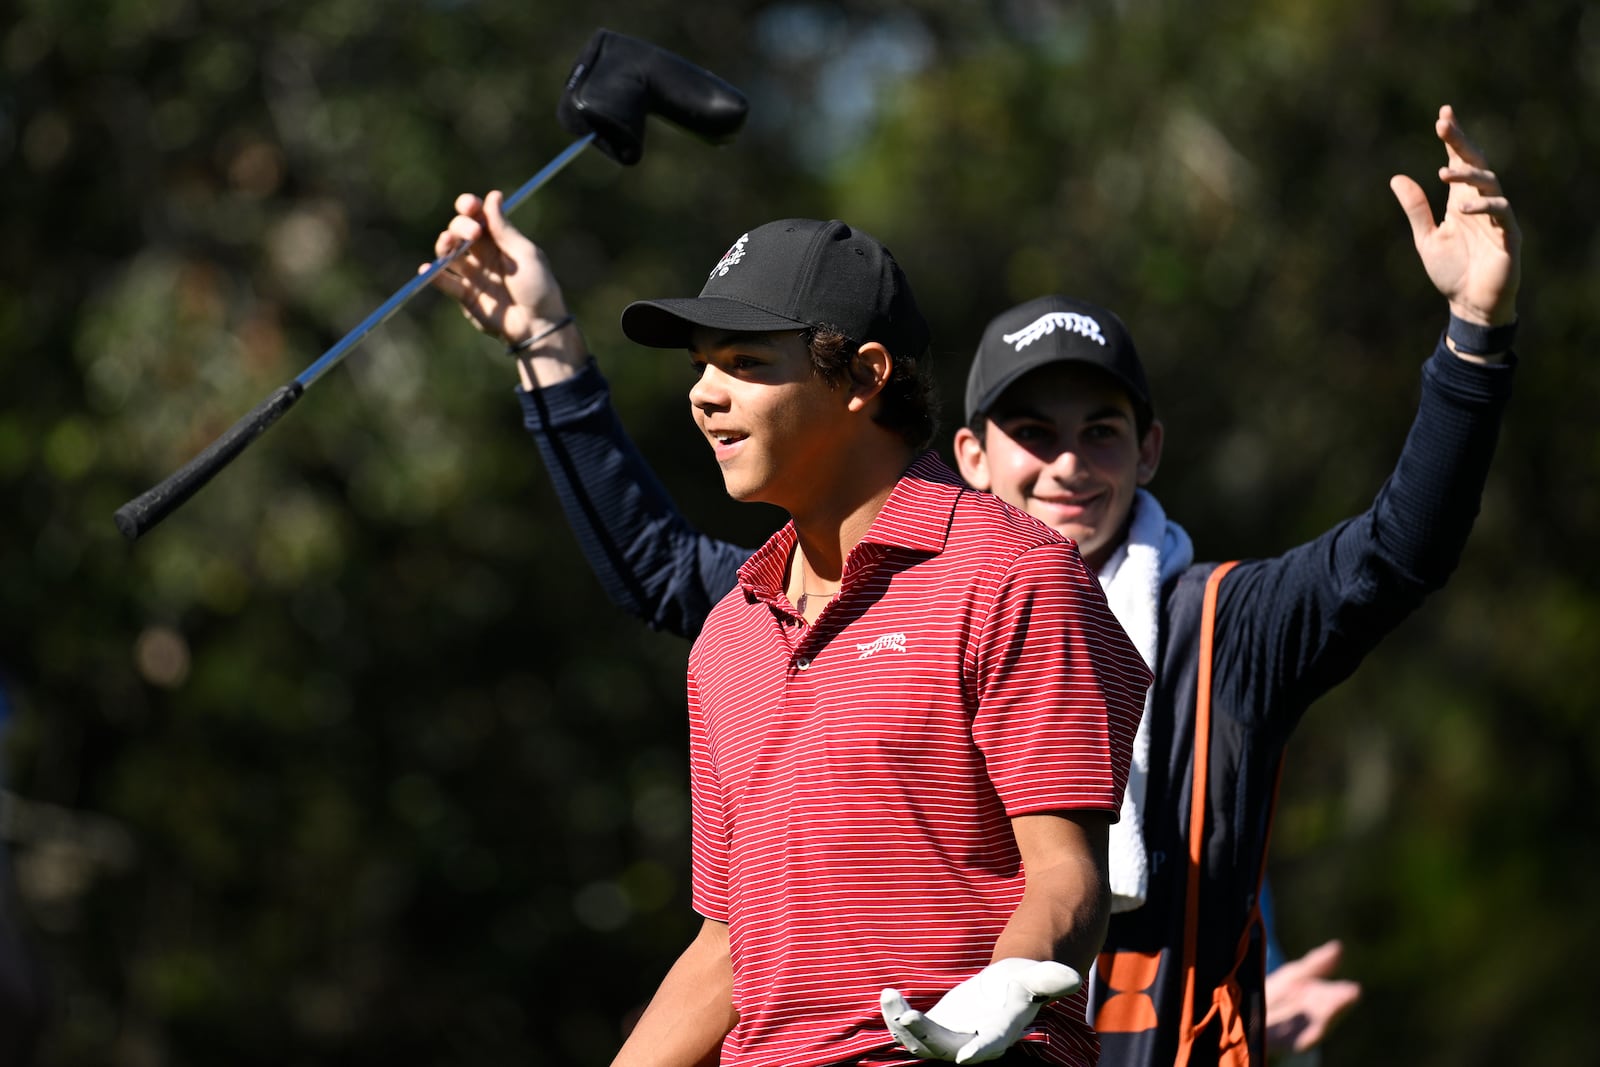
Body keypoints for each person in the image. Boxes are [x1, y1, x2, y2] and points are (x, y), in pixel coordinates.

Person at [428, 103, 1518, 1065]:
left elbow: (1394, 554)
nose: (1066, 464)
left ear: (1150, 451)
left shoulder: (1205, 620)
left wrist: (1473, 336)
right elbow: (730, 920)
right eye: (1031, 432)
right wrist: (545, 344)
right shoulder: (765, 613)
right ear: (971, 451)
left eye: (1101, 432)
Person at [434, 215, 1153, 1066]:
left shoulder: (1014, 574)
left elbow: (1065, 873)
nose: (704, 393)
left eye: (745, 364)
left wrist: (1006, 982)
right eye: (701, 365)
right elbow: (728, 946)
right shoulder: (732, 633)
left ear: (864, 376)